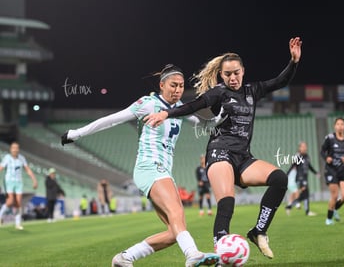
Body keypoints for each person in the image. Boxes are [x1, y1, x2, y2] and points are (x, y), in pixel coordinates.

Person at [144, 37, 302, 260]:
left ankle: (259, 231)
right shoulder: (219, 93)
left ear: (243, 71)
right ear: (221, 75)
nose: (232, 77)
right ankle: (221, 253)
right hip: (219, 154)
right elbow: (194, 105)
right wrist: (166, 113)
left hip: (243, 157)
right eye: (227, 74)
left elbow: (279, 82)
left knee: (279, 179)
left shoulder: (252, 91)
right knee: (227, 201)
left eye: (236, 72)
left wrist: (293, 62)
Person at [61, 64, 219, 267]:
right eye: (173, 85)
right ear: (162, 85)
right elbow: (111, 120)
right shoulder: (148, 103)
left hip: (161, 170)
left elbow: (202, 124)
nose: (178, 90)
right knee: (176, 213)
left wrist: (224, 117)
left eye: (181, 86)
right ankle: (192, 254)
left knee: (174, 232)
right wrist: (77, 133)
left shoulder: (179, 109)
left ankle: (125, 258)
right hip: (150, 166)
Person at [320, 117, 344, 225]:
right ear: (334, 126)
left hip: (343, 170)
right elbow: (322, 151)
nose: (340, 126)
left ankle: (334, 209)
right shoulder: (329, 138)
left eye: (342, 124)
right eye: (338, 124)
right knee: (334, 196)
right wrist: (326, 158)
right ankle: (329, 219)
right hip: (331, 170)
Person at [0, 141, 38, 229]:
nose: (15, 150)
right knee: (10, 201)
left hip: (19, 182)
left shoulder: (21, 158)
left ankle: (18, 223)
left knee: (18, 202)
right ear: (11, 149)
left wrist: (34, 180)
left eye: (17, 148)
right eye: (13, 148)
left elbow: (27, 169)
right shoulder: (7, 158)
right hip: (9, 181)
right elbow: (1, 168)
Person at [285, 142, 319, 216]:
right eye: (303, 146)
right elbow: (292, 166)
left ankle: (291, 206)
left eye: (305, 146)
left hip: (305, 178)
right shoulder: (298, 156)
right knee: (305, 194)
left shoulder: (307, 156)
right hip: (300, 178)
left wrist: (315, 173)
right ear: (299, 148)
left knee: (305, 195)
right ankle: (292, 207)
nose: (304, 148)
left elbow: (309, 166)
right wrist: (286, 175)